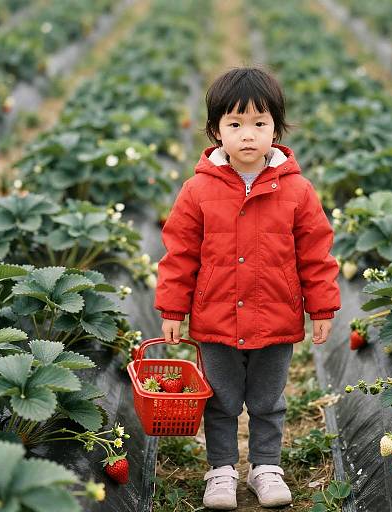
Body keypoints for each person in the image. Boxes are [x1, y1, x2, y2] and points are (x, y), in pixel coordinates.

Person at [154, 66, 340, 510]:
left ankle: (266, 467)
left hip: (275, 317)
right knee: (220, 401)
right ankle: (220, 471)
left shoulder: (297, 191)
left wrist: (323, 309)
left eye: (260, 123)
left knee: (268, 401)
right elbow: (179, 254)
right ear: (216, 131)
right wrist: (173, 310)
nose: (248, 135)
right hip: (215, 319)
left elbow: (316, 254)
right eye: (235, 124)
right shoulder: (197, 191)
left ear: (276, 127)